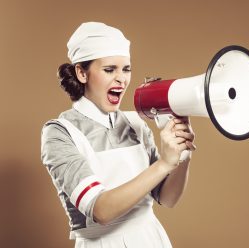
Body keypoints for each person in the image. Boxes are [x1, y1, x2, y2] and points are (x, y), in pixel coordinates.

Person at [41, 22, 196, 248]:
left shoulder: (135, 123)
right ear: (81, 73)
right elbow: (101, 210)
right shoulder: (60, 132)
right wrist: (163, 163)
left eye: (126, 69)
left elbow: (167, 198)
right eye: (109, 69)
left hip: (151, 238)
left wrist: (181, 156)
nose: (122, 79)